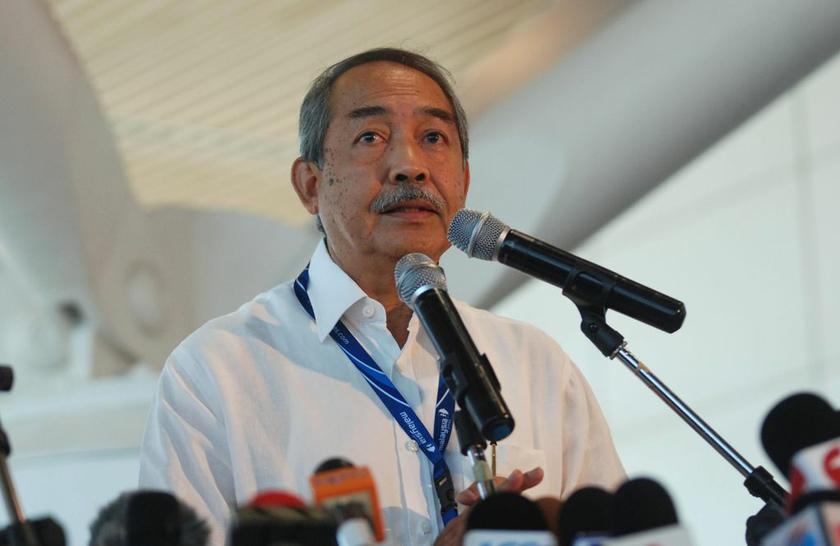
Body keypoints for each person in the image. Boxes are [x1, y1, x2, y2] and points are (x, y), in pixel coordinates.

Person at [139, 48, 625, 546]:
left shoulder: (536, 364)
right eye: (371, 137)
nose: (409, 166)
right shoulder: (216, 372)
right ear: (310, 185)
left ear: (463, 182)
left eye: (433, 138)